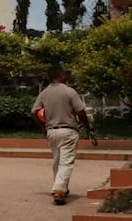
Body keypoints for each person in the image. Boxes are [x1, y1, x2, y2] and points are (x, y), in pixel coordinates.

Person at [32, 69, 91, 205]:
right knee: (66, 161)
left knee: (57, 160)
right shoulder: (69, 91)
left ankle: (61, 187)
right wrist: (87, 127)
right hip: (68, 130)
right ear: (60, 76)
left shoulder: (44, 93)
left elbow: (34, 112)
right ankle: (59, 190)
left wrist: (43, 127)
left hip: (51, 131)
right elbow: (81, 112)